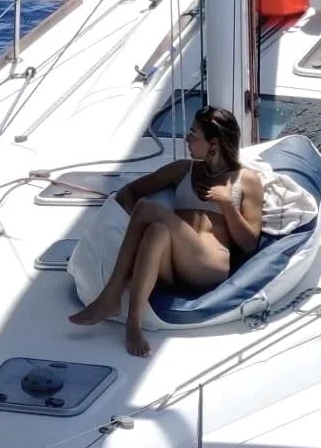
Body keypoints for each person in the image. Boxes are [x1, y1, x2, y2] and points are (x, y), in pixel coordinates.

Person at [68, 105, 264, 356]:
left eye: (193, 135)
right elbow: (130, 192)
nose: (186, 139)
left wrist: (227, 204)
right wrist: (126, 233)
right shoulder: (182, 169)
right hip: (173, 265)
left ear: (213, 144)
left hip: (209, 265)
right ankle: (133, 324)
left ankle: (111, 296)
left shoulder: (246, 180)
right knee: (156, 231)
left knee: (148, 210)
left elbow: (249, 244)